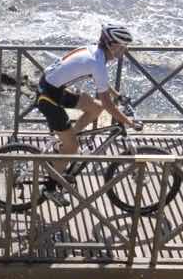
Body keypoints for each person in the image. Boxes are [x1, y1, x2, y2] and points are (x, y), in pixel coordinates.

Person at [35, 25, 138, 206]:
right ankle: (50, 188)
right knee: (73, 147)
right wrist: (127, 121)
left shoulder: (94, 53)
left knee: (95, 108)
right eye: (122, 47)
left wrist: (117, 96)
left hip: (54, 87)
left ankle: (65, 142)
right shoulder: (97, 62)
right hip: (48, 97)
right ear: (112, 45)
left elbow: (100, 81)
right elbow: (107, 102)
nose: (124, 51)